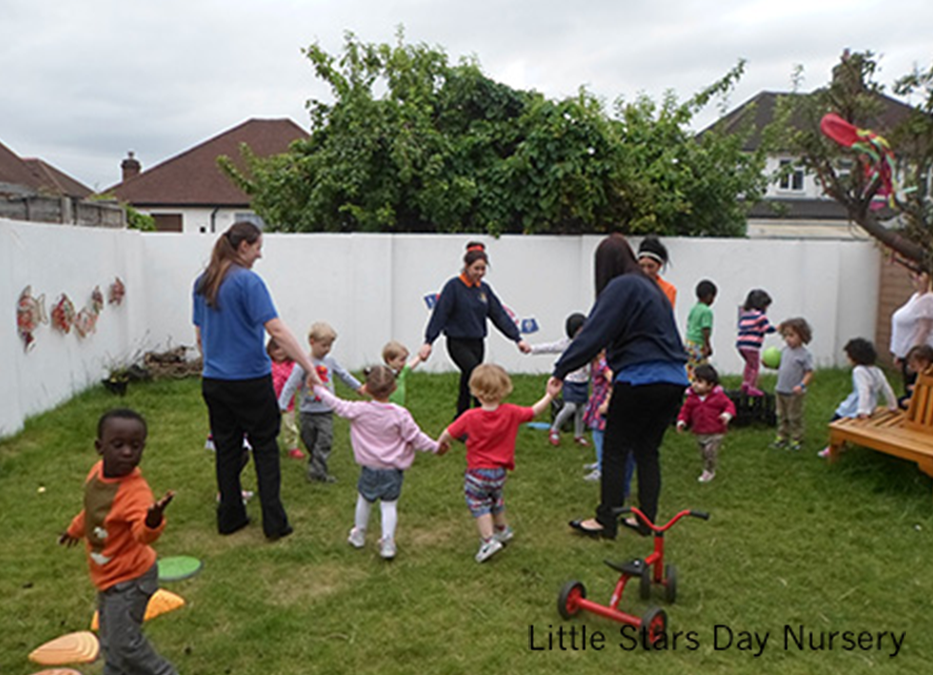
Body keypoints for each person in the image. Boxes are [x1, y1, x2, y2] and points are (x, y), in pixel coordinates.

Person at [551, 233, 688, 539]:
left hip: (641, 379)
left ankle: (606, 521)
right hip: (675, 380)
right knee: (647, 451)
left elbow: (594, 332)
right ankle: (645, 521)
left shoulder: (622, 285)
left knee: (615, 448)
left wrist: (562, 368)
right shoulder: (651, 287)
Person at [193, 221, 316, 540]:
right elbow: (276, 331)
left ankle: (230, 517)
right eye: (258, 247)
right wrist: (308, 367)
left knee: (227, 449)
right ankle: (274, 523)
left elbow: (200, 336)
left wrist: (215, 364)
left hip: (214, 382)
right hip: (250, 381)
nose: (260, 254)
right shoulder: (248, 282)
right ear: (244, 246)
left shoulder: (203, 282)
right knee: (264, 447)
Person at [59, 409, 178, 675]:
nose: (127, 452)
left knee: (125, 643)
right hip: (108, 576)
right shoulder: (96, 474)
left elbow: (142, 535)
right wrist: (74, 531)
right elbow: (93, 511)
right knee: (110, 639)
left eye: (135, 446)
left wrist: (152, 520)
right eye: (118, 444)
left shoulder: (135, 492)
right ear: (99, 447)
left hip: (131, 579)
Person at [312, 366, 442, 559]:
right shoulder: (400, 414)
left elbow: (336, 404)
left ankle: (359, 535)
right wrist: (436, 447)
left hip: (369, 468)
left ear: (366, 388)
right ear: (394, 388)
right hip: (392, 470)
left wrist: (317, 388)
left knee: (364, 500)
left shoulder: (359, 410)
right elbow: (416, 437)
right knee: (389, 505)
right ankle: (387, 543)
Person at [437, 365, 561, 562]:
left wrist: (441, 445)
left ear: (475, 391)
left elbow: (448, 433)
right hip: (500, 473)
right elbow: (534, 411)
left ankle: (488, 541)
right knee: (496, 499)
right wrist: (549, 395)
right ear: (504, 389)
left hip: (477, 473)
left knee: (479, 504)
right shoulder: (511, 412)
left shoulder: (469, 416)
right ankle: (502, 530)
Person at [419, 242, 531, 418]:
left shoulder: (484, 290)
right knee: (477, 376)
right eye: (476, 268)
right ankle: (483, 415)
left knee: (468, 379)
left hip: (477, 343)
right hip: (457, 342)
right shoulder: (453, 287)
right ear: (466, 266)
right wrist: (429, 341)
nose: (480, 273)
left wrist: (517, 338)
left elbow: (499, 315)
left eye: (483, 269)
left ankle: (462, 418)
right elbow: (440, 315)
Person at [279, 322, 364, 483]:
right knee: (309, 440)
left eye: (330, 346)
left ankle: (318, 473)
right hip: (307, 411)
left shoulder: (330, 361)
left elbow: (343, 375)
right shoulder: (303, 363)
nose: (327, 349)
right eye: (324, 345)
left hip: (325, 411)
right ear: (312, 342)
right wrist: (282, 404)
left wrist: (358, 387)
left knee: (324, 441)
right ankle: (316, 463)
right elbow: (291, 384)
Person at [818, 338, 897, 457]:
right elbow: (887, 389)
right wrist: (892, 405)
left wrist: (862, 411)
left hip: (855, 407)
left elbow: (863, 391)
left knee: (835, 422)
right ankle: (842, 444)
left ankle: (833, 447)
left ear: (855, 358)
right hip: (871, 407)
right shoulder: (877, 370)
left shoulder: (859, 371)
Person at [527, 312, 589, 446]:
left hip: (583, 381)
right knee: (570, 407)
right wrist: (532, 349)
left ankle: (579, 435)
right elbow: (550, 347)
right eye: (580, 329)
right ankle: (554, 429)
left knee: (582, 410)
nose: (582, 332)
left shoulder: (588, 344)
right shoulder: (566, 344)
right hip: (570, 381)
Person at [676, 365, 735, 483]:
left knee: (710, 451)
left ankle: (709, 471)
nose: (695, 384)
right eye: (694, 381)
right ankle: (708, 467)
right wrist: (682, 421)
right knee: (704, 453)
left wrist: (727, 415)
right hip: (700, 431)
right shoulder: (692, 398)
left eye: (699, 382)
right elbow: (685, 411)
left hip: (716, 431)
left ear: (710, 385)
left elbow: (729, 405)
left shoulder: (718, 397)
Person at [771, 317, 814, 451]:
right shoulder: (784, 351)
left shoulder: (804, 355)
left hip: (794, 392)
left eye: (791, 335)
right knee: (781, 415)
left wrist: (802, 385)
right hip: (780, 389)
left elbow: (809, 372)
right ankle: (782, 436)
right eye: (785, 336)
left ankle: (796, 438)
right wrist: (768, 364)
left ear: (802, 336)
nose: (788, 339)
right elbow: (781, 367)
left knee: (794, 416)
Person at [890, 270, 933, 395]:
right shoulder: (916, 297)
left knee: (915, 396)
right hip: (906, 354)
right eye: (913, 276)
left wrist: (912, 358)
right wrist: (899, 353)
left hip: (918, 357)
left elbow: (923, 330)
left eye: (920, 276)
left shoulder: (928, 300)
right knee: (908, 392)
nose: (916, 279)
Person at [581, 351, 615, 483]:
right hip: (597, 399)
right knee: (598, 434)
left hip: (604, 402)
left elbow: (613, 380)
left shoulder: (604, 363)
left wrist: (607, 402)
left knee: (599, 433)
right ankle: (601, 461)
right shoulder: (594, 362)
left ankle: (602, 468)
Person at [736, 289, 776, 396]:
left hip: (741, 345)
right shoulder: (760, 316)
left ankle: (745, 383)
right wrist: (777, 328)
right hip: (751, 346)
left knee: (749, 365)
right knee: (755, 366)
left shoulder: (745, 314)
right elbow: (767, 328)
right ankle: (751, 387)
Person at [269, 338, 304, 460]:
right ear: (270, 350)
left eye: (283, 349)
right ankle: (268, 445)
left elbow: (297, 381)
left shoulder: (292, 366)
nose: (280, 352)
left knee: (290, 426)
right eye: (276, 349)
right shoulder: (267, 364)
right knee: (269, 426)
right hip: (269, 403)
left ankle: (292, 447)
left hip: (288, 404)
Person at [684, 280, 717, 379]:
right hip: (699, 344)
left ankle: (689, 383)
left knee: (690, 367)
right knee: (701, 369)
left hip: (689, 342)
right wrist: (707, 345)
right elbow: (705, 329)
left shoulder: (694, 309)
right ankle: (700, 384)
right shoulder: (706, 311)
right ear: (709, 296)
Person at [638, 235, 677, 307]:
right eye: (642, 266)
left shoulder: (668, 289)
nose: (646, 271)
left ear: (659, 266)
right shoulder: (632, 287)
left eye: (650, 266)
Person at [382, 340, 423, 408]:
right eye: (401, 360)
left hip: (400, 405)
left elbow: (411, 364)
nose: (404, 363)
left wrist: (420, 356)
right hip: (387, 405)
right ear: (390, 360)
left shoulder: (402, 371)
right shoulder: (384, 373)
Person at [899, 344, 933, 409]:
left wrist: (918, 388)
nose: (913, 369)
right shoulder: (918, 375)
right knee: (900, 401)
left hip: (926, 406)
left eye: (913, 366)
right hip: (917, 401)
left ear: (924, 363)